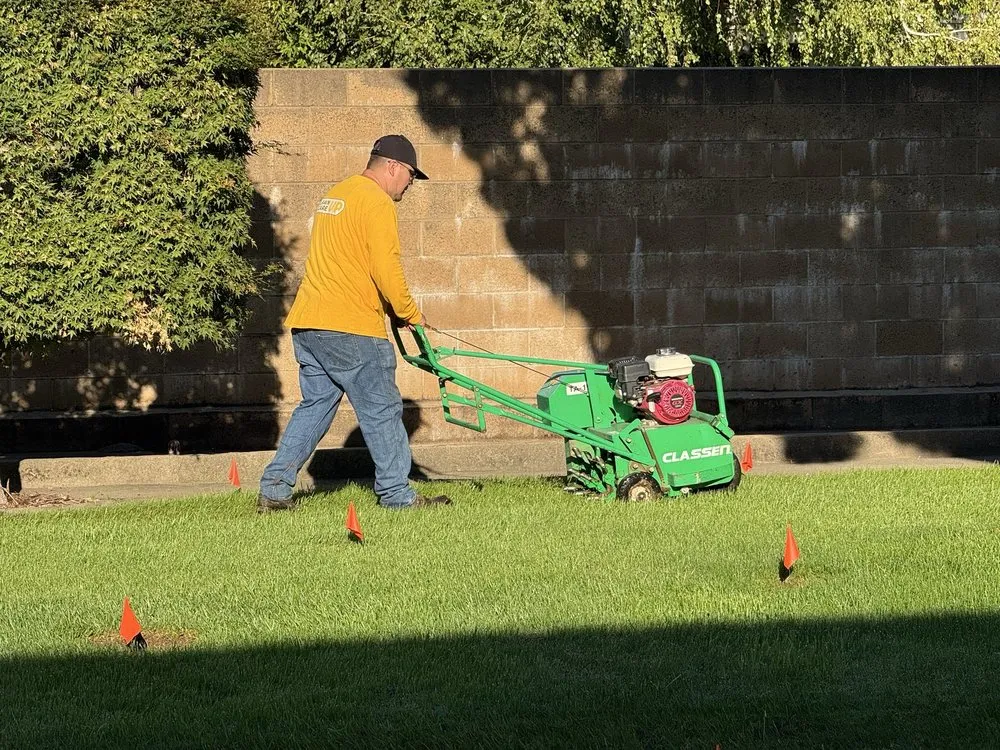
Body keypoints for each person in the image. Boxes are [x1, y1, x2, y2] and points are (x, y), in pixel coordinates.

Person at [257, 134, 452, 512]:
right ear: (393, 167)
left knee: (315, 407)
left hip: (310, 323)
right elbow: (385, 267)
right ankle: (398, 496)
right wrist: (410, 312)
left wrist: (393, 310)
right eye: (410, 175)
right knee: (382, 408)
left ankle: (275, 489)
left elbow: (349, 260)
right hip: (351, 327)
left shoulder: (337, 195)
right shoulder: (377, 202)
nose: (410, 185)